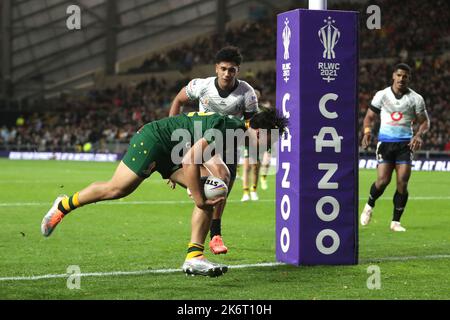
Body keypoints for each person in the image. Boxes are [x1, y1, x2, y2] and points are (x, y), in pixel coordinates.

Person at [41, 109, 287, 277]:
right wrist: (199, 196)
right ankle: (64, 205)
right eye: (270, 140)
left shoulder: (236, 136)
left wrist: (204, 187)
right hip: (155, 140)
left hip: (175, 151)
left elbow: (208, 165)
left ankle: (194, 257)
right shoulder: (228, 129)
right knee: (117, 189)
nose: (269, 146)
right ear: (258, 131)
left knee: (216, 187)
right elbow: (192, 160)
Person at [168, 46, 259, 254]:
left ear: (238, 70)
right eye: (224, 69)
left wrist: (255, 141)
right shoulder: (202, 86)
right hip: (203, 142)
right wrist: (174, 138)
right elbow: (179, 100)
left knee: (222, 191)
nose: (227, 73)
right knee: (221, 176)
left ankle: (207, 224)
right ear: (216, 68)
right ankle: (214, 235)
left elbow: (251, 122)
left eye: (232, 70)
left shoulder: (246, 92)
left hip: (230, 146)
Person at [360, 63, 430, 232]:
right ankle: (369, 206)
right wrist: (367, 132)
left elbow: (425, 122)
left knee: (402, 182)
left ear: (409, 78)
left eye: (405, 76)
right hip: (385, 143)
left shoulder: (416, 98)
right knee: (383, 180)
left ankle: (395, 222)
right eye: (399, 75)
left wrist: (418, 134)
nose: (401, 79)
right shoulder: (382, 95)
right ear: (393, 76)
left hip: (405, 144)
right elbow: (369, 117)